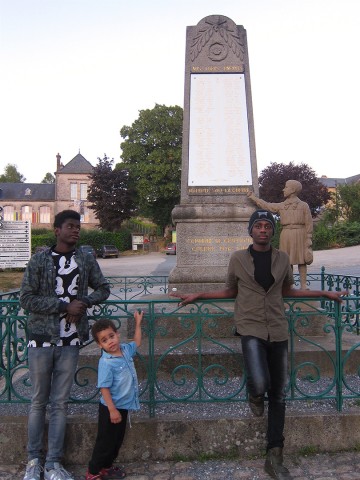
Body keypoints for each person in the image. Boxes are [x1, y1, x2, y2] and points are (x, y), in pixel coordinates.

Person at [171, 209, 345, 479]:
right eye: (258, 226)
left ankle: (274, 456)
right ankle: (253, 392)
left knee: (278, 394)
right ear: (250, 231)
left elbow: (287, 291)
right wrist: (199, 294)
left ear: (272, 231)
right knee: (261, 383)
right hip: (250, 326)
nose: (263, 230)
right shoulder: (238, 259)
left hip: (277, 328)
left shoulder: (282, 258)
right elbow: (231, 290)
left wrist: (323, 292)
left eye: (267, 226)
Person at [20, 210, 111, 480]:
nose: (76, 231)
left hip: (71, 340)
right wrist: (63, 305)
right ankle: (33, 461)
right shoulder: (39, 260)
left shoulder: (85, 258)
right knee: (38, 402)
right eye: (71, 226)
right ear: (56, 230)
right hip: (41, 339)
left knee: (59, 403)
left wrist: (82, 304)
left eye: (78, 227)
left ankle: (54, 464)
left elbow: (103, 288)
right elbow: (26, 298)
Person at [86, 313, 143, 480]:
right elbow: (104, 388)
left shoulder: (125, 350)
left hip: (123, 405)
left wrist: (138, 323)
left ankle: (106, 466)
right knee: (105, 442)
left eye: (111, 336)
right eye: (104, 340)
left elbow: (137, 342)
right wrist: (112, 410)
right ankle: (93, 471)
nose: (110, 341)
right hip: (110, 408)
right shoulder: (106, 362)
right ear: (99, 345)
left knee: (116, 440)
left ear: (117, 334)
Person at [247, 180, 313, 290]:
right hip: (286, 234)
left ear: (292, 190)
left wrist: (309, 237)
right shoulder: (282, 206)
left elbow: (309, 222)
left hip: (300, 233)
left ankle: (304, 285)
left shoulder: (303, 206)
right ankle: (289, 285)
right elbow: (267, 206)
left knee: (302, 260)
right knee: (287, 260)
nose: (283, 189)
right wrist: (253, 198)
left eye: (286, 187)